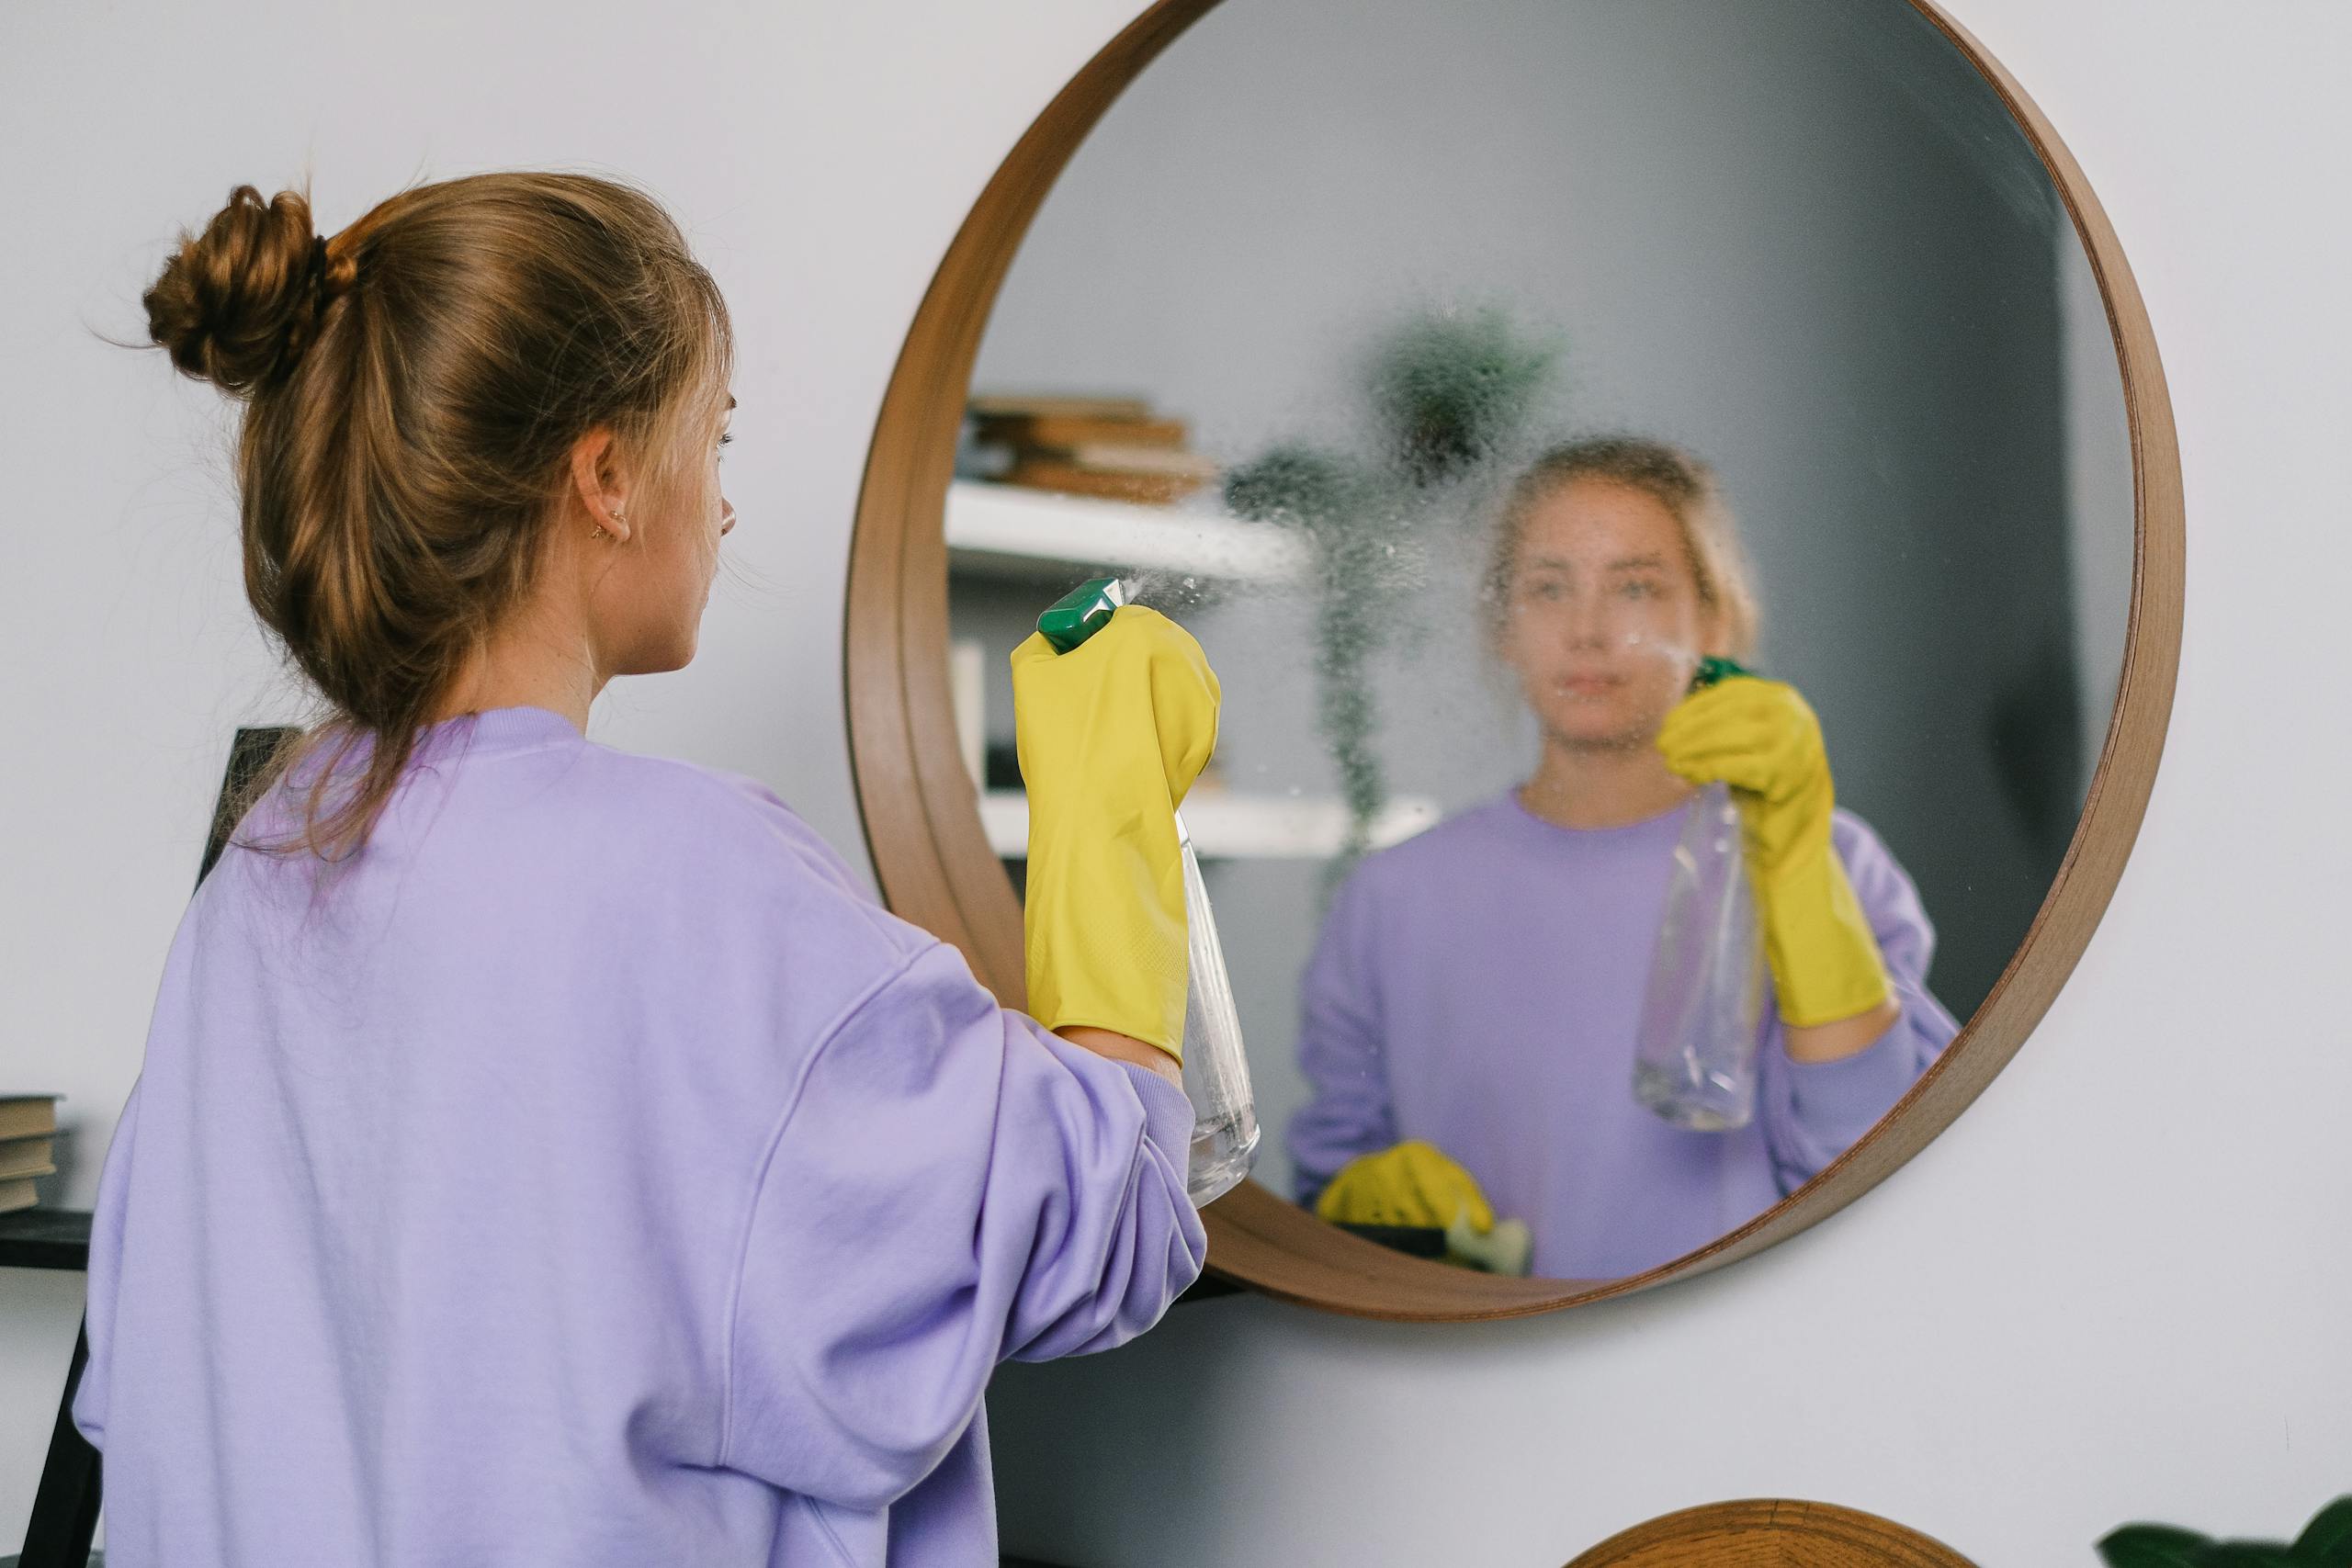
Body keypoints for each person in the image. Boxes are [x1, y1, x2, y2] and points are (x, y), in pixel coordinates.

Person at [74, 175, 1215, 1567]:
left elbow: (149, 1397)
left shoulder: (257, 872)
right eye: (712, 437)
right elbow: (1117, 1222)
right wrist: (1109, 809)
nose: (725, 507)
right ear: (606, 474)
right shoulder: (694, 879)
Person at [1290, 436, 1959, 1280]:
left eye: (1636, 587)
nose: (1588, 631)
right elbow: (1320, 1212)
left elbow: (1876, 1163)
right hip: (1480, 1382)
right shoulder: (1392, 897)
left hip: (1748, 1368)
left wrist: (1793, 862)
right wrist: (1355, 1201)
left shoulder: (1830, 860)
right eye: (1546, 588)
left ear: (1715, 619)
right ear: (1503, 626)